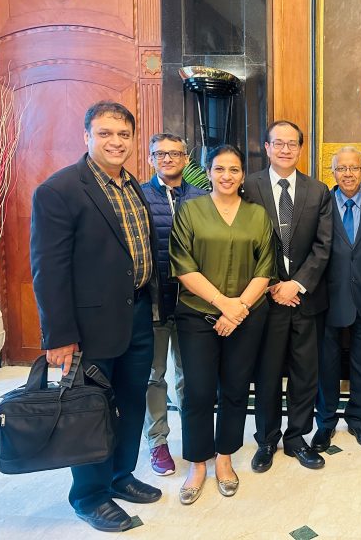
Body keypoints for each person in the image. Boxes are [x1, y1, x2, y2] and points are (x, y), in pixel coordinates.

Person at [30, 101, 162, 532]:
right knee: (91, 411)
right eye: (105, 133)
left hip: (138, 314)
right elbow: (48, 270)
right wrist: (59, 335)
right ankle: (89, 496)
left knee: (130, 403)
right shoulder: (60, 190)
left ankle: (120, 476)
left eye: (123, 135)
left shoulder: (132, 186)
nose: (116, 142)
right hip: (87, 329)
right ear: (86, 137)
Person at [169, 145, 274, 505]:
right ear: (209, 172)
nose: (226, 176)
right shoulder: (190, 210)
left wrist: (238, 308)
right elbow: (182, 264)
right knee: (197, 391)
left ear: (243, 175)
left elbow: (266, 268)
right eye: (219, 169)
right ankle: (198, 463)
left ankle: (225, 458)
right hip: (198, 313)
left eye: (234, 169)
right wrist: (223, 305)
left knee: (234, 389)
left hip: (246, 316)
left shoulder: (257, 215)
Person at [243, 121, 333, 472]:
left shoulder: (318, 190)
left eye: (291, 144)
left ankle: (297, 438)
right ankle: (266, 439)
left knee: (304, 373)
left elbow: (324, 245)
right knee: (266, 374)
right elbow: (242, 241)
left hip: (307, 300)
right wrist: (271, 285)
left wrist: (296, 284)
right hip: (264, 299)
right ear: (266, 147)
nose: (284, 149)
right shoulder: (248, 186)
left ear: (300, 148)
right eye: (277, 143)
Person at [141, 133, 207, 476]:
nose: (168, 159)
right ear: (151, 158)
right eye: (160, 154)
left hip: (193, 303)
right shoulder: (139, 195)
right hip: (153, 301)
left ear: (185, 158)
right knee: (155, 376)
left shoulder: (202, 197)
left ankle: (194, 438)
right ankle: (158, 443)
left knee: (190, 375)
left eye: (175, 153)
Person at [312, 147, 361, 452]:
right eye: (342, 169)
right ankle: (325, 423)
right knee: (325, 364)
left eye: (354, 168)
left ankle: (358, 420)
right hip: (326, 297)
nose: (348, 174)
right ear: (333, 173)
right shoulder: (319, 203)